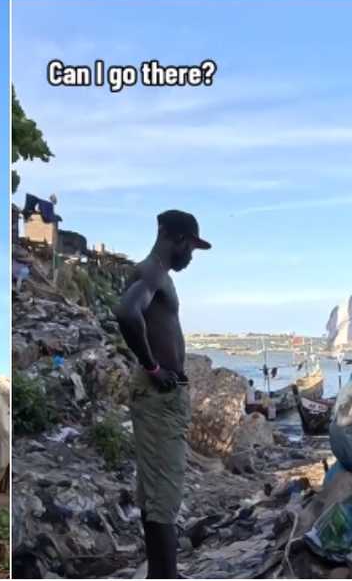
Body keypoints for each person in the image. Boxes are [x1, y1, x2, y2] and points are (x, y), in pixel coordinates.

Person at [113, 210, 211, 578]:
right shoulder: (152, 272)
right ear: (179, 240)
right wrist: (153, 366)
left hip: (161, 397)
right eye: (192, 248)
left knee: (155, 492)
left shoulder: (158, 274)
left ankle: (161, 572)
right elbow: (125, 312)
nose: (191, 257)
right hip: (159, 395)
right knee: (164, 497)